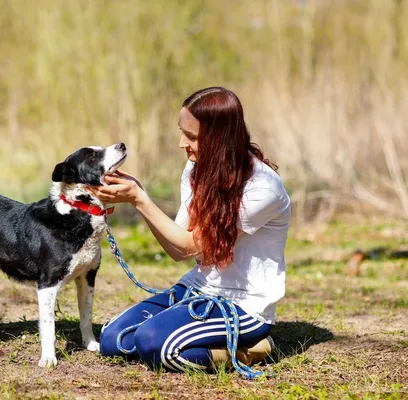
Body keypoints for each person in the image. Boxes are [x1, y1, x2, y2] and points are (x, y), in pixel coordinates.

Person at [91, 87, 291, 372]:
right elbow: (176, 245)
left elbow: (188, 247)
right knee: (113, 341)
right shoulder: (195, 169)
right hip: (198, 289)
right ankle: (200, 336)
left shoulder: (262, 188)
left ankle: (250, 349)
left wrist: (139, 199)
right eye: (181, 132)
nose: (182, 143)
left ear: (220, 139)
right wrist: (137, 194)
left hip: (244, 305)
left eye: (192, 137)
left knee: (154, 345)